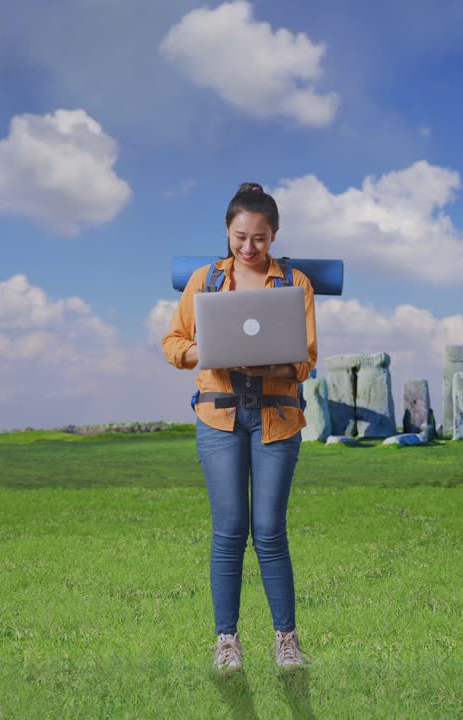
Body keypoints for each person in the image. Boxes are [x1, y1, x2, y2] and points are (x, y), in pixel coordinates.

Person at [161, 182, 318, 674]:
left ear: (274, 236)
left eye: (260, 239)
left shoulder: (295, 284)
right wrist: (203, 353)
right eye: (240, 237)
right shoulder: (205, 282)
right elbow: (172, 342)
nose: (249, 248)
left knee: (270, 530)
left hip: (276, 417)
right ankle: (227, 642)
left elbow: (307, 358)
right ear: (227, 232)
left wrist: (274, 362)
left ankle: (286, 642)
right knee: (229, 530)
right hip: (219, 416)